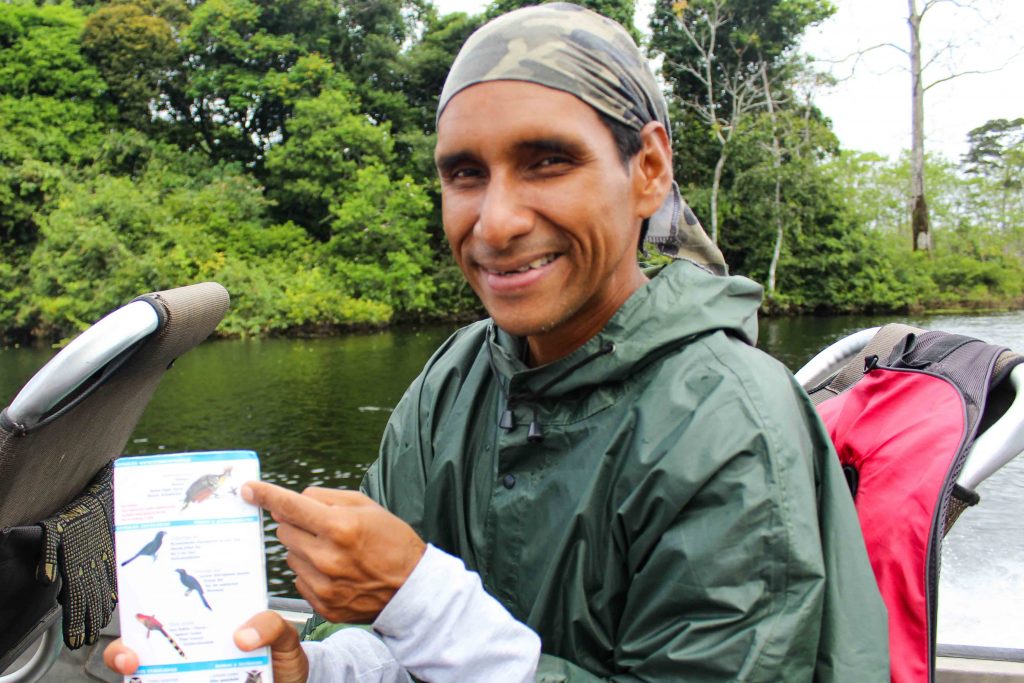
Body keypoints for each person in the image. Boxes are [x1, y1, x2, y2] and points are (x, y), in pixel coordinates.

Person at [106, 4, 889, 681]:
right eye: (465, 173)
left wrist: (422, 596)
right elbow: (393, 639)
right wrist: (315, 665)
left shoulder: (729, 425)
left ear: (647, 169)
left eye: (548, 161)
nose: (498, 220)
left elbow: (427, 618)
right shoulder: (455, 379)